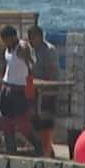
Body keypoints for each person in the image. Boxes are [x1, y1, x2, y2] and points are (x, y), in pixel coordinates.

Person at [0, 25, 43, 155]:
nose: (5, 42)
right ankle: (11, 151)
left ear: (13, 37)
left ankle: (38, 146)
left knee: (22, 123)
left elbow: (32, 63)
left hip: (19, 89)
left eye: (6, 39)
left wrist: (27, 58)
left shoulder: (22, 47)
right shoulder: (8, 49)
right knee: (6, 122)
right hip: (7, 87)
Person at [26, 24, 60, 158]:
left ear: (40, 37)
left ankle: (47, 148)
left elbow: (52, 71)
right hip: (34, 89)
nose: (30, 41)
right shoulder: (32, 50)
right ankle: (42, 148)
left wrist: (46, 86)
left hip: (47, 91)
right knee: (34, 119)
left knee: (46, 119)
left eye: (32, 38)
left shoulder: (49, 50)